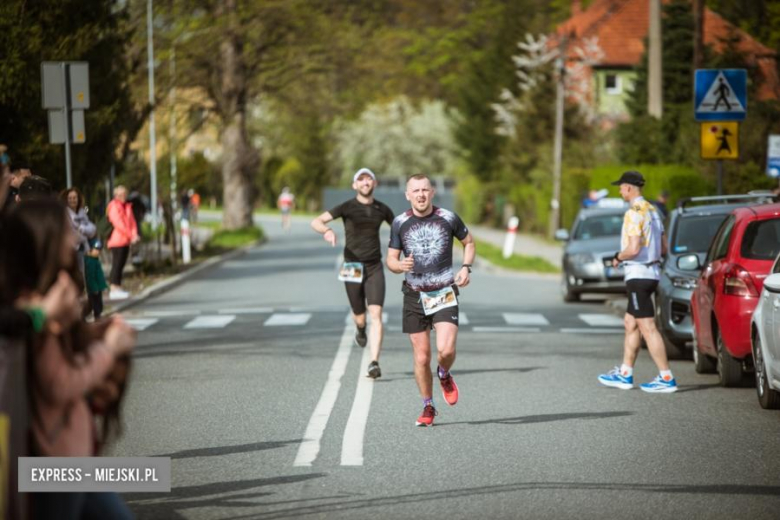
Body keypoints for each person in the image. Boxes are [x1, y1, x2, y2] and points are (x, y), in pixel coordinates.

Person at [0, 199, 135, 520]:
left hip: (73, 457)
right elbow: (59, 384)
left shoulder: (49, 303)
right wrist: (108, 349)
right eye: (66, 230)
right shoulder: (38, 307)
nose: (76, 239)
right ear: (44, 238)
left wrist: (93, 334)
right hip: (56, 463)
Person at [386, 174, 476, 426]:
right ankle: (428, 406)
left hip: (444, 293)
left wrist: (466, 267)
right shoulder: (399, 222)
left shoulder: (448, 217)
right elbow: (390, 259)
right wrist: (398, 265)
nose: (421, 194)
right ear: (408, 195)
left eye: (425, 189)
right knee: (422, 357)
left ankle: (444, 373)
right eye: (415, 190)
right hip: (414, 296)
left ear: (432, 192)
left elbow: (469, 242)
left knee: (446, 350)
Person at [311, 168, 395, 378]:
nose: (365, 182)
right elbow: (317, 221)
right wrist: (328, 231)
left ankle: (374, 362)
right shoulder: (346, 207)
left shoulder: (382, 209)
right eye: (361, 179)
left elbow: (400, 229)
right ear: (354, 185)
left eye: (369, 179)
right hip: (352, 266)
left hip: (375, 266)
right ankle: (360, 328)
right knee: (360, 315)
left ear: (374, 184)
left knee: (376, 313)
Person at [598, 170, 677, 393]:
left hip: (638, 275)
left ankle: (666, 377)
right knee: (630, 323)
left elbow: (632, 249)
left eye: (621, 187)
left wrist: (617, 257)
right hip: (651, 273)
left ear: (630, 187)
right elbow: (663, 248)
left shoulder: (633, 213)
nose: (620, 190)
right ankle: (625, 373)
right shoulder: (653, 211)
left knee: (647, 327)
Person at [106, 185, 139, 300]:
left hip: (125, 240)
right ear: (115, 196)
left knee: (121, 265)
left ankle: (118, 287)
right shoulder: (113, 206)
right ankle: (113, 288)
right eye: (120, 195)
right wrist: (131, 235)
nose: (122, 196)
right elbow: (119, 224)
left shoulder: (127, 206)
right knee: (117, 264)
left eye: (124, 194)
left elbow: (132, 222)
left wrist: (134, 234)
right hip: (117, 240)